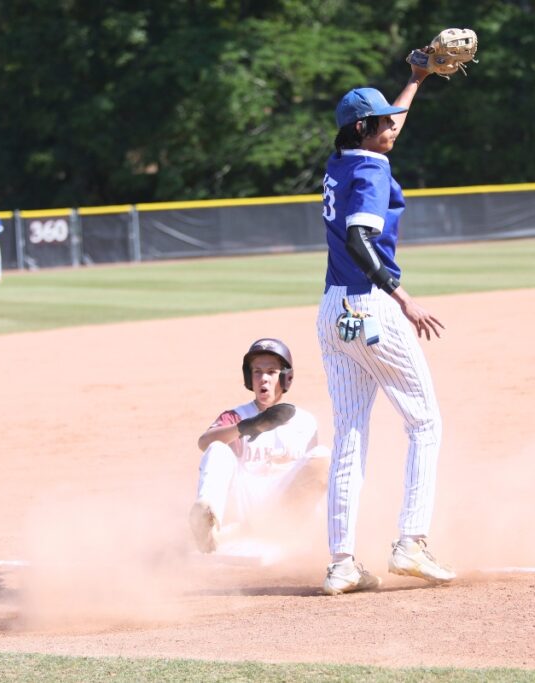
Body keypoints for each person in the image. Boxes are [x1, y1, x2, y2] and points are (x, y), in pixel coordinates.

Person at [317, 64, 456, 595]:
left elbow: (384, 129)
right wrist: (402, 296)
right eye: (383, 123)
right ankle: (411, 543)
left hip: (332, 312)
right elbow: (359, 238)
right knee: (425, 424)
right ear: (362, 129)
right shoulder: (373, 172)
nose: (393, 127)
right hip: (372, 308)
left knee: (349, 436)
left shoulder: (343, 162)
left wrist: (416, 79)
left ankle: (341, 563)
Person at [189, 338, 329, 554]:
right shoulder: (238, 417)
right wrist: (247, 426)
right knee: (218, 448)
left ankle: (281, 535)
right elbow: (204, 443)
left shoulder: (306, 422)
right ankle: (208, 526)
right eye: (257, 372)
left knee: (323, 456)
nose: (263, 378)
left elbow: (313, 482)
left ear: (286, 378)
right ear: (249, 378)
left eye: (271, 372)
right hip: (244, 502)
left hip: (284, 511)